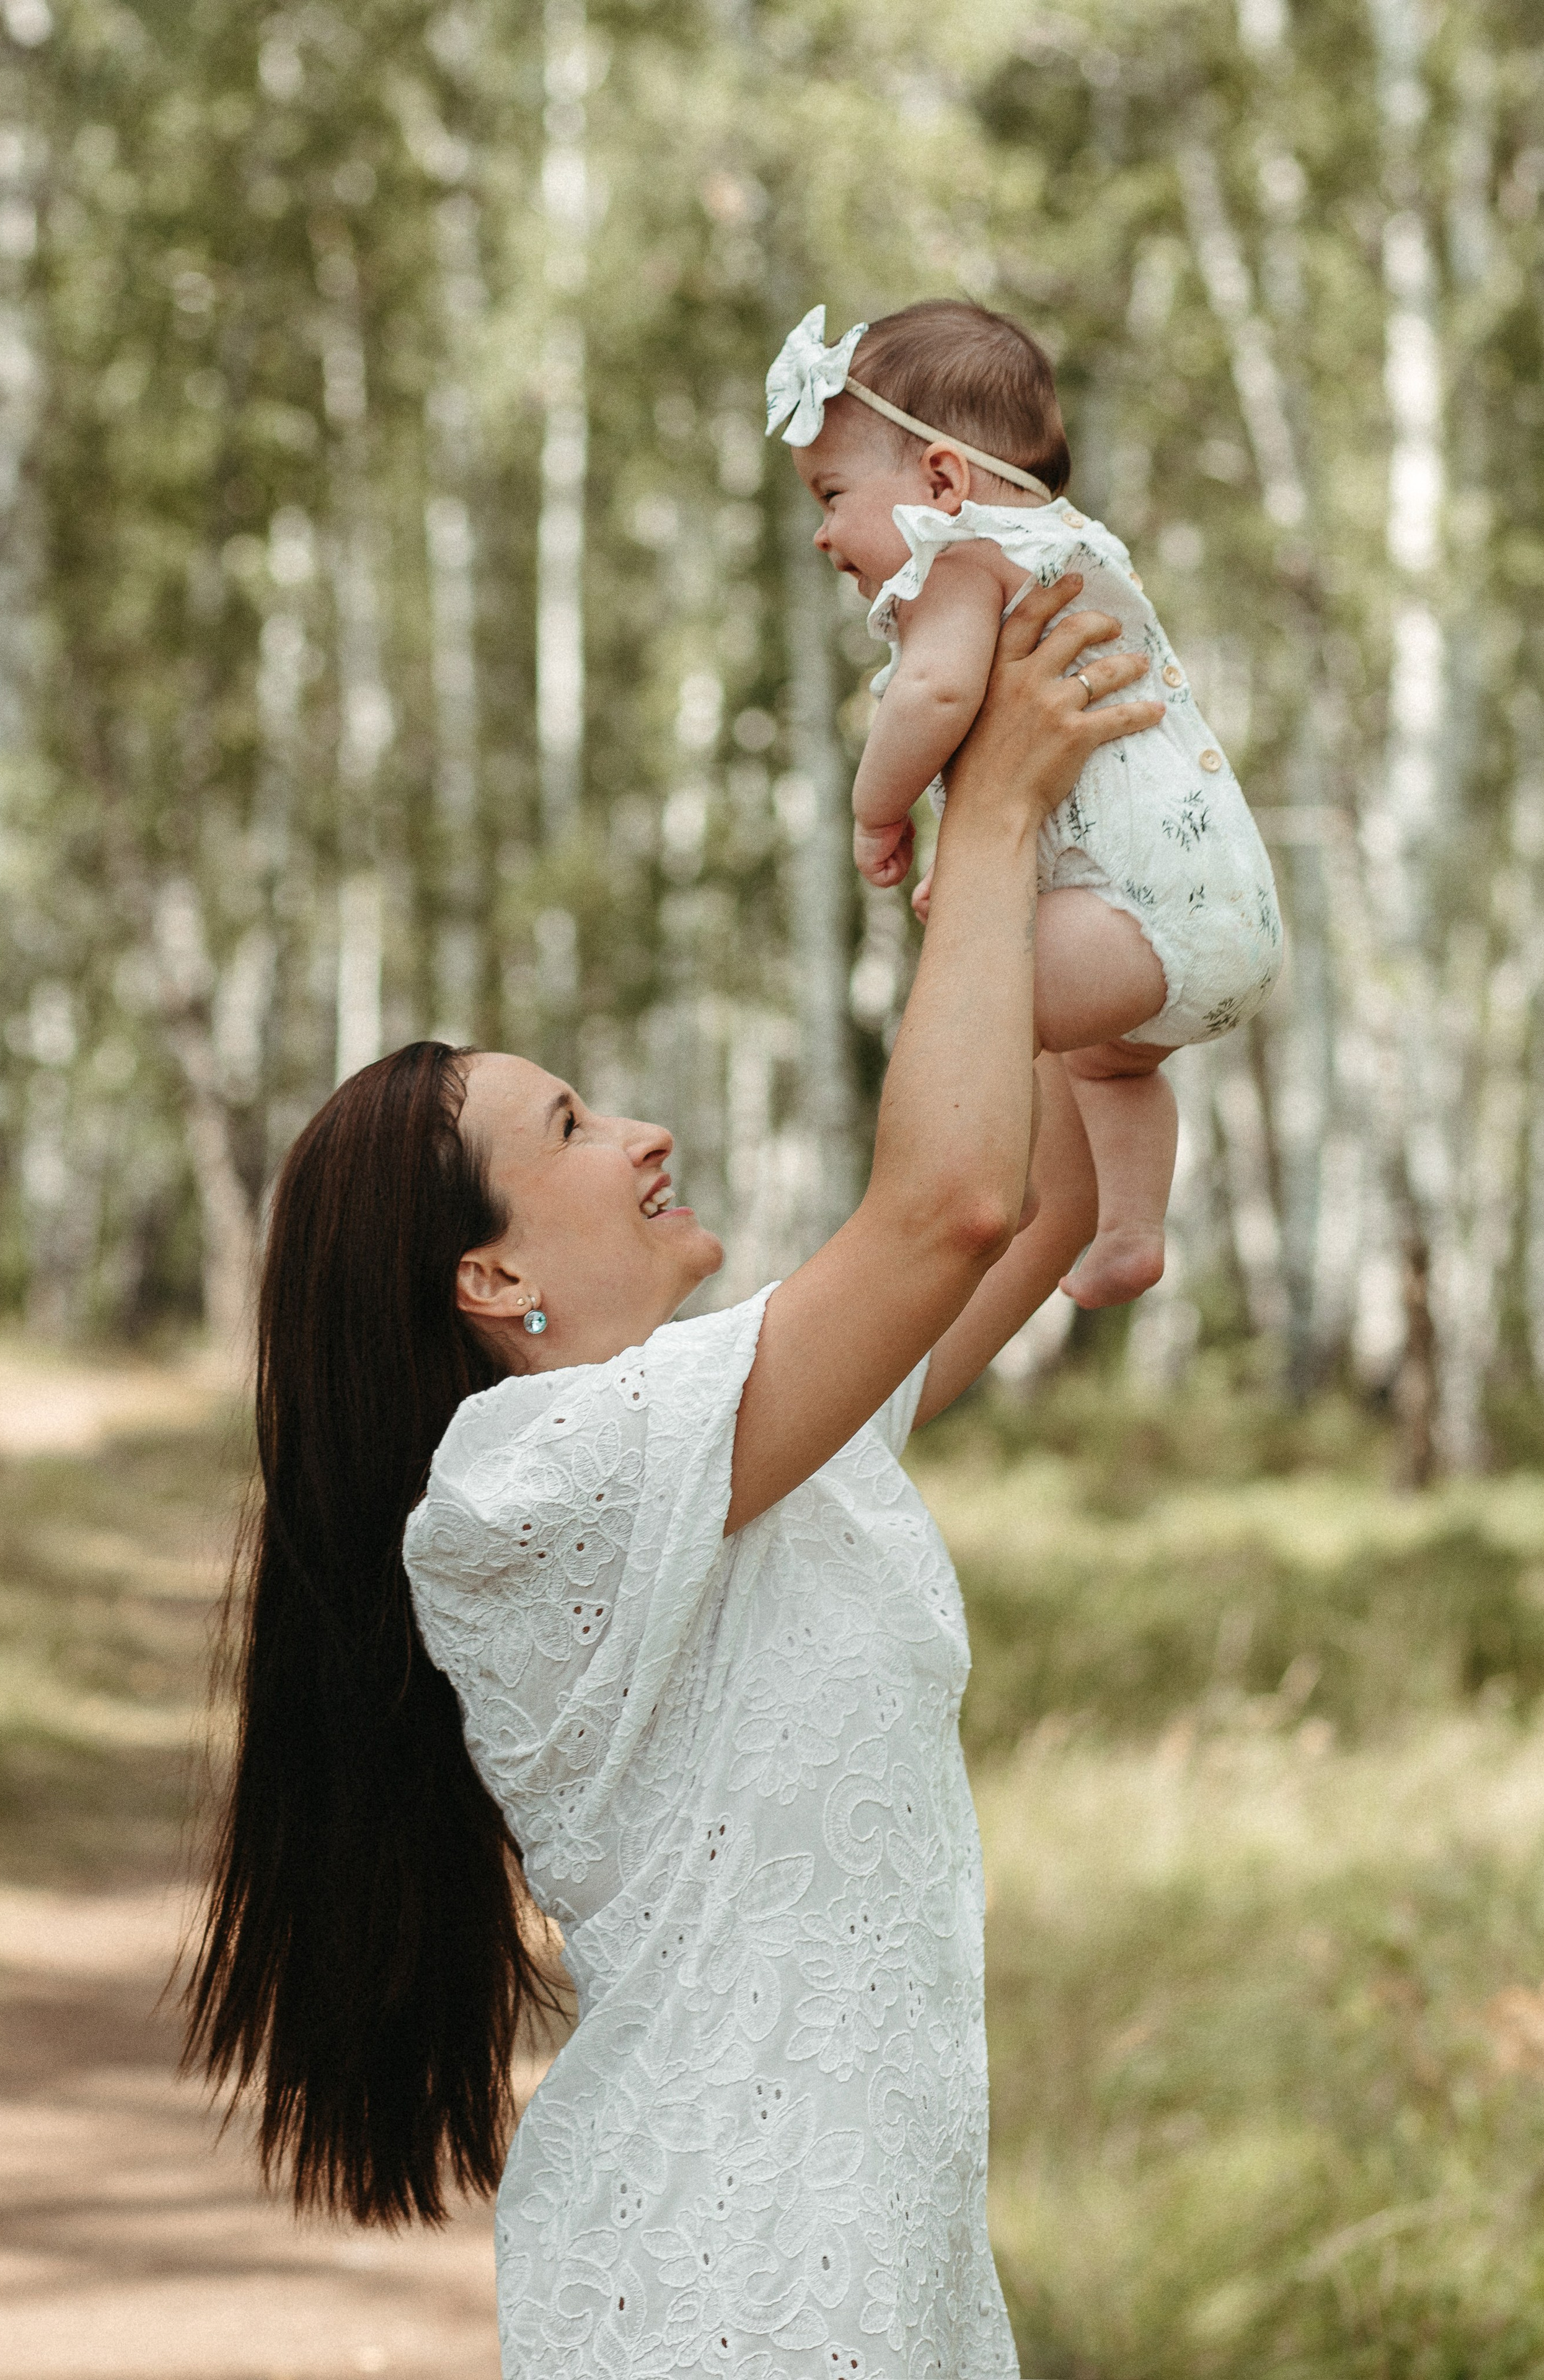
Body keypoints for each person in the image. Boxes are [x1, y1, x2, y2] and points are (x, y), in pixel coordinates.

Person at [182, 575, 1163, 2378]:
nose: (642, 1132)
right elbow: (944, 1206)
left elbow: (1043, 1201)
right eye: (571, 1124)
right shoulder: (526, 1487)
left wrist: (1085, 920)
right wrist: (1003, 801)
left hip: (881, 2258)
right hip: (730, 2282)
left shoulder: (745, 1429)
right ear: (488, 1279)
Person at [766, 298, 1284, 1310]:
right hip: (1223, 912)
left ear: (941, 481)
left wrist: (878, 812)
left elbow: (937, 696)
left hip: (1132, 916)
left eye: (831, 494)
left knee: (969, 1007)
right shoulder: (1072, 547)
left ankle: (958, 1209)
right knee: (1111, 1068)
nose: (824, 536)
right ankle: (1130, 1230)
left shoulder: (959, 562)